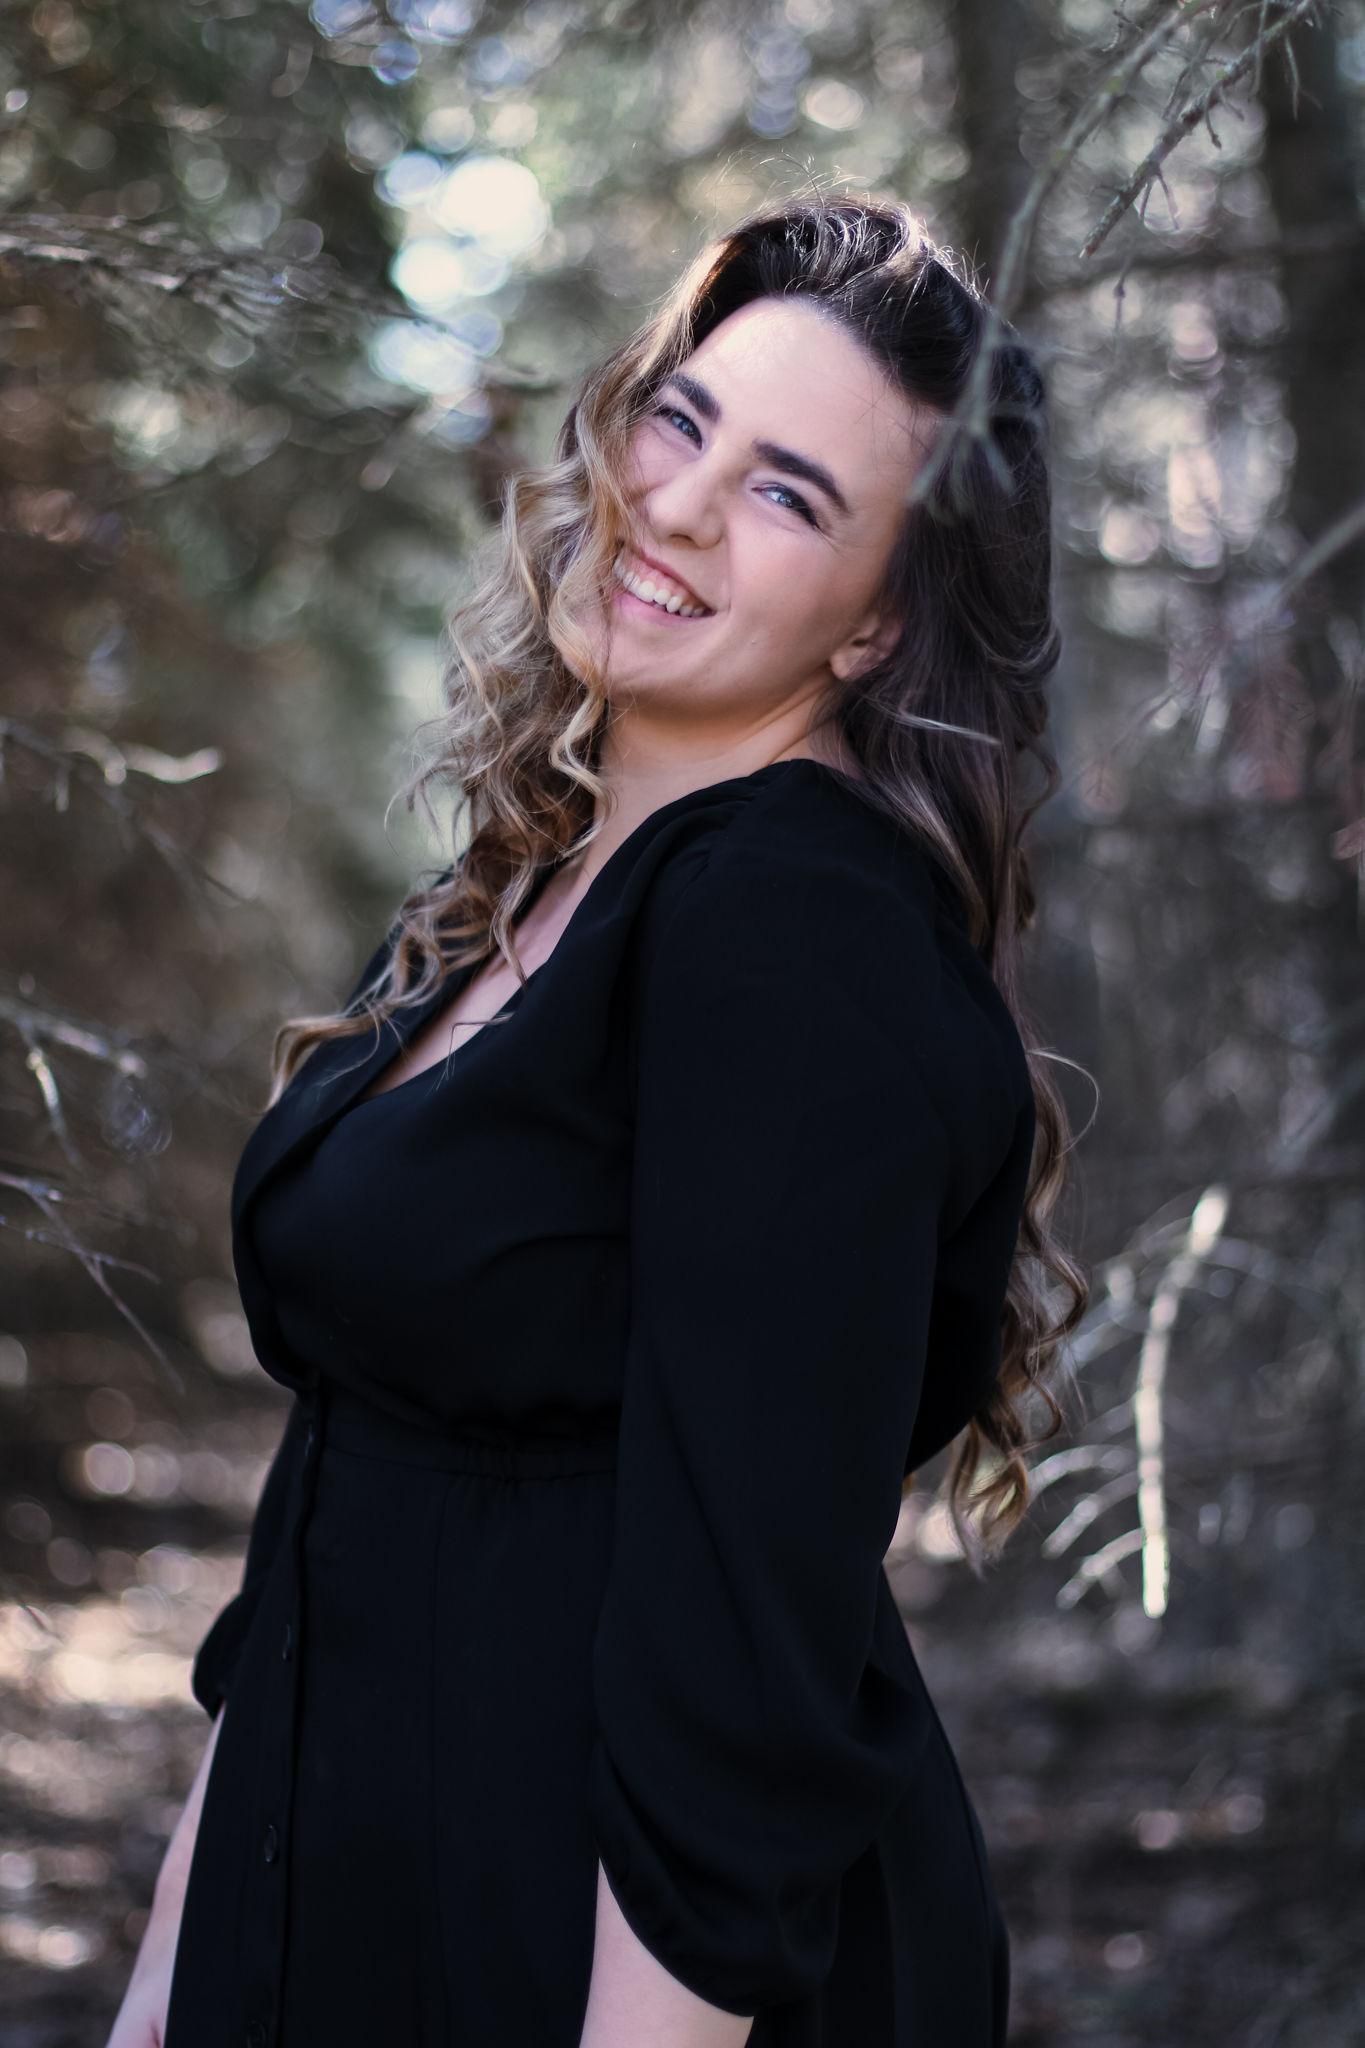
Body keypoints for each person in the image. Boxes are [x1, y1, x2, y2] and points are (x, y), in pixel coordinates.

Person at [109, 197, 1083, 2048]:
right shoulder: (521, 888)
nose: (682, 504)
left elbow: (741, 1647)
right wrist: (170, 1984)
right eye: (681, 417)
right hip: (344, 1904)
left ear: (878, 624)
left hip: (604, 1978)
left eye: (791, 494)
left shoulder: (791, 932)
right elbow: (341, 1500)